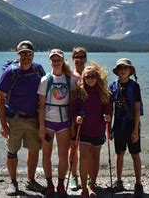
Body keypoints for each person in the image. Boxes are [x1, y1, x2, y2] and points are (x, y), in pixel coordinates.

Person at [0, 40, 46, 196]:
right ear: (18, 55)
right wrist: (3, 124)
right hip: (14, 118)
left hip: (33, 118)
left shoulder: (38, 70)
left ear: (33, 54)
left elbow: (44, 94)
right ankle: (13, 182)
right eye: (22, 53)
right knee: (12, 151)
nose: (26, 56)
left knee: (34, 150)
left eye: (28, 53)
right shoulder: (10, 72)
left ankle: (31, 181)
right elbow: (0, 99)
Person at [37, 49, 76, 197]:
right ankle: (49, 185)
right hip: (48, 123)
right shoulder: (45, 80)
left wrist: (72, 124)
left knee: (63, 156)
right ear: (50, 61)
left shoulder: (70, 80)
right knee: (46, 154)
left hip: (64, 123)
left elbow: (72, 104)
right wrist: (41, 126)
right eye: (53, 59)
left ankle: (60, 184)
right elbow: (41, 106)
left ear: (63, 60)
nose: (56, 61)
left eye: (58, 59)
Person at [70, 62, 112, 197]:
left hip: (98, 130)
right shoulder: (79, 93)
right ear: (83, 78)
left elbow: (108, 109)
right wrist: (76, 118)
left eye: (93, 76)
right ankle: (84, 189)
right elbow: (73, 110)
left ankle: (92, 184)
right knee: (84, 158)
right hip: (84, 131)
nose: (90, 79)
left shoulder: (103, 92)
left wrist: (108, 117)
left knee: (95, 158)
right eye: (87, 77)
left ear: (97, 77)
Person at [110, 58, 144, 197]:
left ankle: (138, 183)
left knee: (135, 154)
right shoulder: (112, 86)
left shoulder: (134, 87)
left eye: (126, 68)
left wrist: (135, 129)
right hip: (118, 125)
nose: (123, 70)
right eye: (121, 68)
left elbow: (137, 109)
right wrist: (110, 128)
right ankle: (118, 181)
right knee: (119, 154)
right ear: (117, 71)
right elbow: (110, 109)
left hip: (131, 124)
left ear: (130, 71)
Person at [68, 47, 88, 191]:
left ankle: (86, 175)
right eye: (76, 56)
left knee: (87, 149)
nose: (79, 59)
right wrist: (71, 122)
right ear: (72, 58)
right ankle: (73, 177)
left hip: (89, 118)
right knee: (73, 148)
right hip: (73, 117)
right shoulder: (69, 77)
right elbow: (67, 101)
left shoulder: (91, 75)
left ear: (85, 59)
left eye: (82, 56)